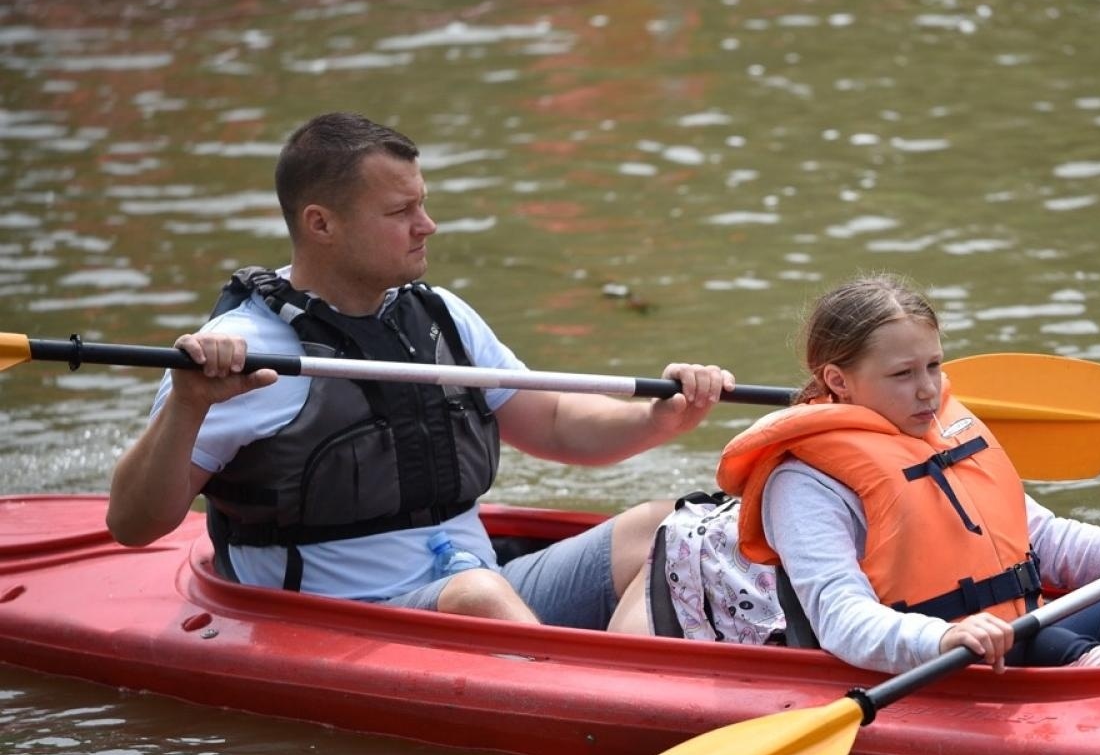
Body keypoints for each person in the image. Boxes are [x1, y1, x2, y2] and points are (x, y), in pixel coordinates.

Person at [105, 112, 731, 629]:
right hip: (339, 621)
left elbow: (558, 424)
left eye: (423, 204)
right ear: (320, 223)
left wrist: (660, 417)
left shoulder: (441, 317)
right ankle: (604, 708)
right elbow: (134, 525)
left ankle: (638, 685)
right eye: (401, 211)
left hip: (479, 584)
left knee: (666, 529)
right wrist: (188, 406)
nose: (426, 225)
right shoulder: (238, 351)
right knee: (477, 596)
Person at [667, 273, 1100, 672]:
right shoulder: (804, 483)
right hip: (944, 661)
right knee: (1072, 656)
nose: (929, 390)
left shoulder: (944, 432)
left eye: (933, 365)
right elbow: (840, 619)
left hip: (1017, 630)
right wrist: (940, 639)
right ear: (836, 381)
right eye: (903, 375)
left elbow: (1048, 542)